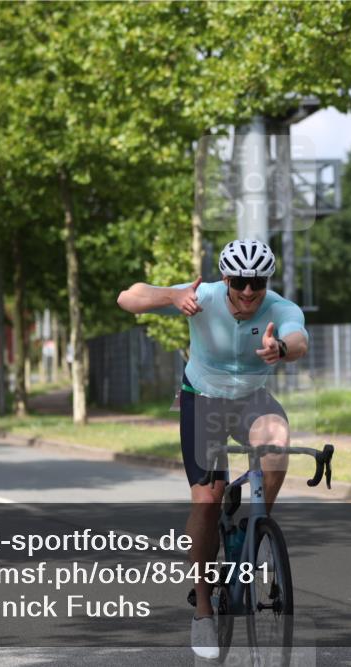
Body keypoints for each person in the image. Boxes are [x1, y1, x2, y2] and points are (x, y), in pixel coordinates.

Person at [117, 239, 309, 659]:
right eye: (239, 281)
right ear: (226, 279)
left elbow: (299, 341)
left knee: (277, 441)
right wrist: (172, 295)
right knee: (207, 500)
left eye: (256, 283)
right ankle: (204, 609)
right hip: (202, 399)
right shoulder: (202, 296)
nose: (247, 292)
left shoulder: (279, 308)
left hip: (251, 399)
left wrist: (281, 350)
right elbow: (127, 297)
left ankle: (256, 533)